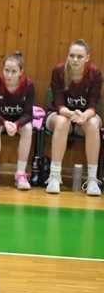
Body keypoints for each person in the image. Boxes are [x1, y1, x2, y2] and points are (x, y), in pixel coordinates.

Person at [44, 39, 101, 196]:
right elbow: (59, 104)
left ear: (87, 58)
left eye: (79, 56)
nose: (75, 59)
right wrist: (72, 114)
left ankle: (92, 180)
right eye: (72, 55)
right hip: (60, 114)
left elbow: (93, 105)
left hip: (85, 117)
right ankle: (54, 177)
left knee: (93, 124)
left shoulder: (95, 74)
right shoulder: (58, 71)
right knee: (62, 121)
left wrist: (84, 116)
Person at [0, 52, 35, 190]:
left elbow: (28, 114)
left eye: (13, 71)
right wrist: (5, 122)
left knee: (28, 128)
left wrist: (16, 125)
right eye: (6, 70)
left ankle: (21, 174)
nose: (9, 75)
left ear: (21, 72)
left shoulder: (29, 85)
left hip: (18, 121)